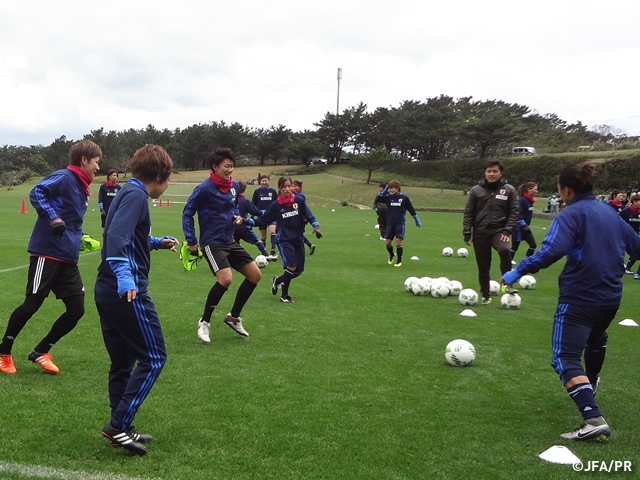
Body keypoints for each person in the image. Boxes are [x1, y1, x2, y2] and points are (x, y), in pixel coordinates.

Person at [502, 162, 640, 442]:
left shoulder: (570, 214)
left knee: (564, 357)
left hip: (580, 297)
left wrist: (518, 270)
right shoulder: (610, 213)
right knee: (597, 337)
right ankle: (590, 382)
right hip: (611, 295)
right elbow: (637, 247)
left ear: (565, 190)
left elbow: (552, 250)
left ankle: (592, 417)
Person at [95, 144, 178, 456]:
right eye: (168, 179)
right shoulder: (136, 194)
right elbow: (115, 238)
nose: (167, 185)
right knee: (154, 358)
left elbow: (127, 234)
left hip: (106, 290)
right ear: (158, 175)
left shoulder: (128, 191)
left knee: (122, 362)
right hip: (125, 291)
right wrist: (125, 274)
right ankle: (118, 425)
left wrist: (155, 242)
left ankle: (122, 426)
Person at [0, 140, 101, 375]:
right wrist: (53, 217)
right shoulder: (65, 176)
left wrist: (80, 236)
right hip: (47, 252)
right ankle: (4, 352)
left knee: (76, 309)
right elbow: (38, 192)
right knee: (32, 304)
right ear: (84, 160)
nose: (98, 167)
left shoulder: (81, 186)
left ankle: (41, 351)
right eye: (96, 162)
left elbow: (70, 220)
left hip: (67, 256)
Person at [183, 148, 261, 344]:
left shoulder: (234, 186)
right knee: (226, 279)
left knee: (255, 275)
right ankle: (204, 322)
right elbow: (187, 212)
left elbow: (233, 206)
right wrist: (191, 240)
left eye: (232, 166)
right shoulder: (204, 189)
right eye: (226, 166)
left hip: (230, 240)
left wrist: (236, 216)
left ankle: (234, 317)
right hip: (212, 242)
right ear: (215, 167)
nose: (230, 169)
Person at [462, 160, 518, 304]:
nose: (491, 174)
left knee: (505, 250)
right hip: (480, 232)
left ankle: (507, 284)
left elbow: (514, 212)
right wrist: (467, 232)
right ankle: (486, 295)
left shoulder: (509, 190)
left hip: (500, 231)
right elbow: (469, 213)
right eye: (489, 171)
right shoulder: (476, 190)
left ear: (501, 173)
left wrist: (507, 230)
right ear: (485, 173)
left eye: (495, 171)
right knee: (483, 265)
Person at [258, 176, 322, 303]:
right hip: (284, 239)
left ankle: (278, 280)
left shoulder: (299, 201)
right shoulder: (275, 206)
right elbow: (263, 220)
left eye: (289, 186)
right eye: (284, 187)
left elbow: (310, 216)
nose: (287, 189)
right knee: (291, 266)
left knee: (298, 271)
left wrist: (316, 227)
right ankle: (284, 296)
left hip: (298, 239)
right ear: (279, 189)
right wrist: (247, 222)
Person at [375, 179, 421, 267]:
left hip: (400, 223)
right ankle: (392, 255)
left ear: (398, 188)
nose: (391, 190)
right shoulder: (389, 197)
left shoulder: (404, 198)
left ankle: (399, 261)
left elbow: (411, 209)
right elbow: (380, 197)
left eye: (393, 188)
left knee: (398, 241)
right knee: (387, 243)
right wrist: (386, 188)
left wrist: (416, 220)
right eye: (390, 188)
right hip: (390, 224)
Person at [234, 180, 274, 260]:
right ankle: (266, 255)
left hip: (232, 227)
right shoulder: (245, 201)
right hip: (243, 226)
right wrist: (264, 212)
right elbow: (255, 211)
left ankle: (235, 259)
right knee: (257, 241)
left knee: (234, 243)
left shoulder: (231, 200)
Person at [511, 182, 538, 261]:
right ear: (529, 189)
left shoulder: (530, 201)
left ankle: (527, 262)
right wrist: (523, 224)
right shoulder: (522, 200)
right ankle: (507, 263)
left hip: (525, 228)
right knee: (514, 247)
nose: (536, 191)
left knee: (533, 245)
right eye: (535, 189)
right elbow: (519, 214)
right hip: (518, 228)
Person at [252, 174, 278, 256]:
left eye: (266, 180)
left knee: (272, 230)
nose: (264, 182)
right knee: (263, 236)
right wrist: (253, 215)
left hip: (271, 215)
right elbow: (253, 204)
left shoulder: (273, 191)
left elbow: (277, 203)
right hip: (261, 217)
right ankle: (264, 252)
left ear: (268, 181)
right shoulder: (257, 191)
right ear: (260, 181)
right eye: (263, 180)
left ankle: (273, 248)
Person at [292, 179, 317, 255]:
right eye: (292, 186)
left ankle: (307, 246)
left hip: (302, 218)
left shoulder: (301, 195)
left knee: (298, 234)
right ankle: (309, 245)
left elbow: (302, 206)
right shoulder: (297, 194)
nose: (293, 187)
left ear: (299, 187)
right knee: (297, 233)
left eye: (295, 186)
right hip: (295, 216)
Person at [620, 193, 640, 277]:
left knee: (636, 252)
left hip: (636, 235)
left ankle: (629, 269)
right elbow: (619, 222)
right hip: (625, 235)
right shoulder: (626, 211)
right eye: (638, 201)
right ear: (634, 202)